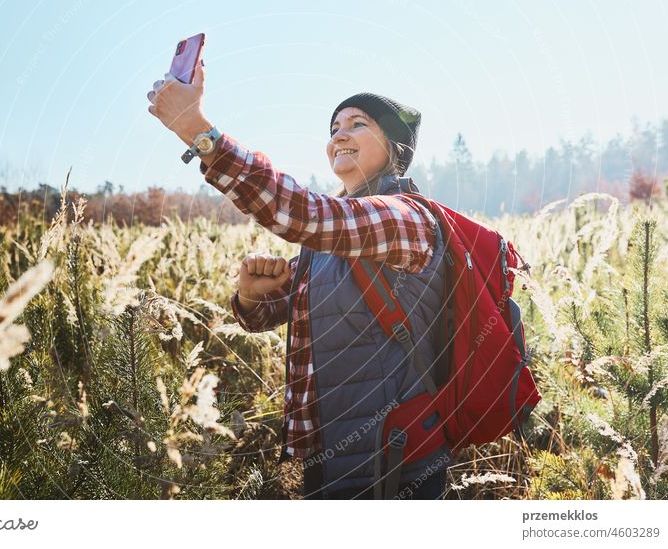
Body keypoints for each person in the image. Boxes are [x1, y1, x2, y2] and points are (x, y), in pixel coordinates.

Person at [147, 60, 454, 500]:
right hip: (328, 448)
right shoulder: (327, 237)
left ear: (395, 149)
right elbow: (286, 312)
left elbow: (306, 215)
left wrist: (200, 133)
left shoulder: (404, 216)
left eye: (358, 124)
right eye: (334, 127)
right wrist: (252, 298)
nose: (339, 135)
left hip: (392, 450)